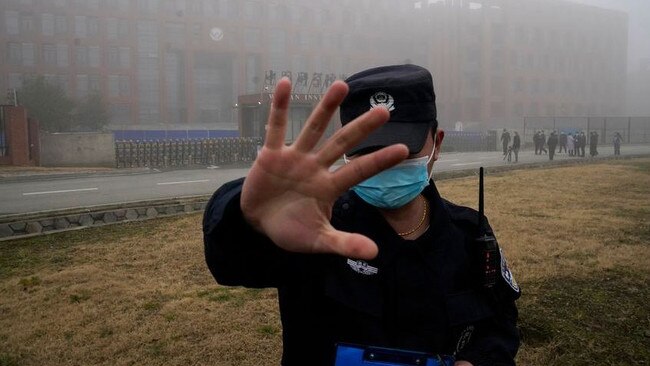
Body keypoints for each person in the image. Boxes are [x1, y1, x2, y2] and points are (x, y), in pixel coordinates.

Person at [203, 65, 521, 366]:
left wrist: (477, 360)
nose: (383, 163)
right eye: (367, 149)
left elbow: (500, 321)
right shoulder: (315, 230)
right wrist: (248, 218)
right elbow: (232, 263)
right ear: (346, 151)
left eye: (402, 148)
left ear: (436, 143)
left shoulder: (468, 233)